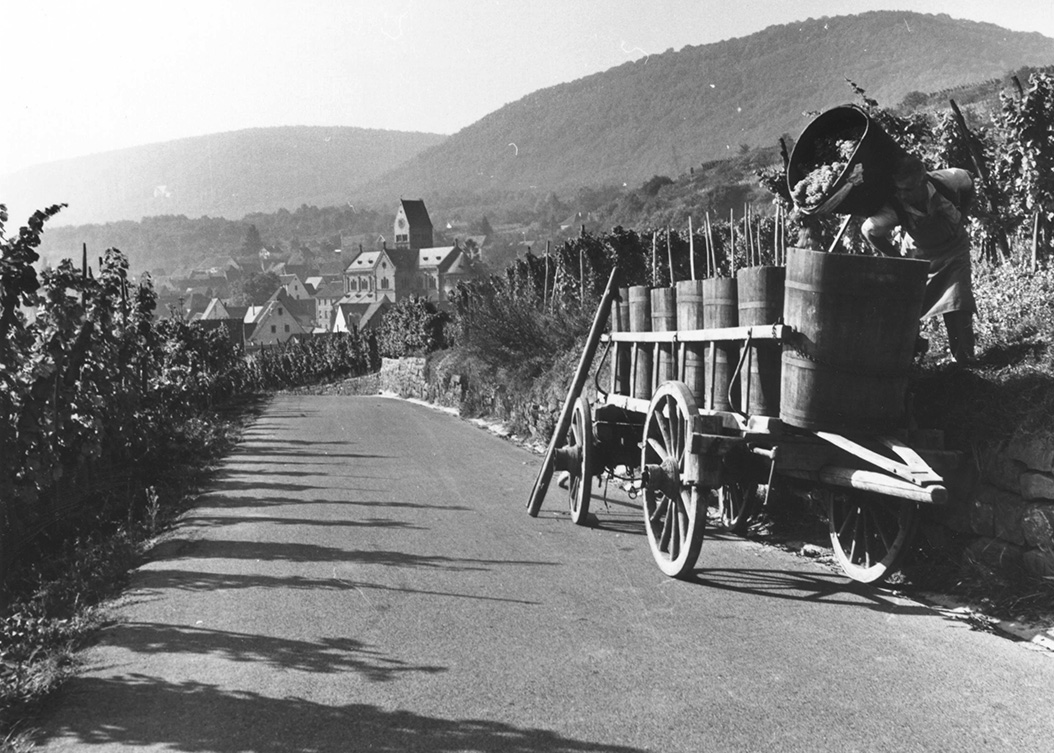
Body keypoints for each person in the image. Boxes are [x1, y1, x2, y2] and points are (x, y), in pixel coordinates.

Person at [861, 155, 976, 363]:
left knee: (958, 302)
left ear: (923, 181)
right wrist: (896, 258)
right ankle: (909, 359)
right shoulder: (894, 208)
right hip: (920, 259)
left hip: (954, 250)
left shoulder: (945, 181)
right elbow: (869, 231)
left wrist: (965, 213)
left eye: (907, 189)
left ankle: (964, 361)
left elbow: (968, 179)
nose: (902, 195)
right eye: (899, 189)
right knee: (908, 308)